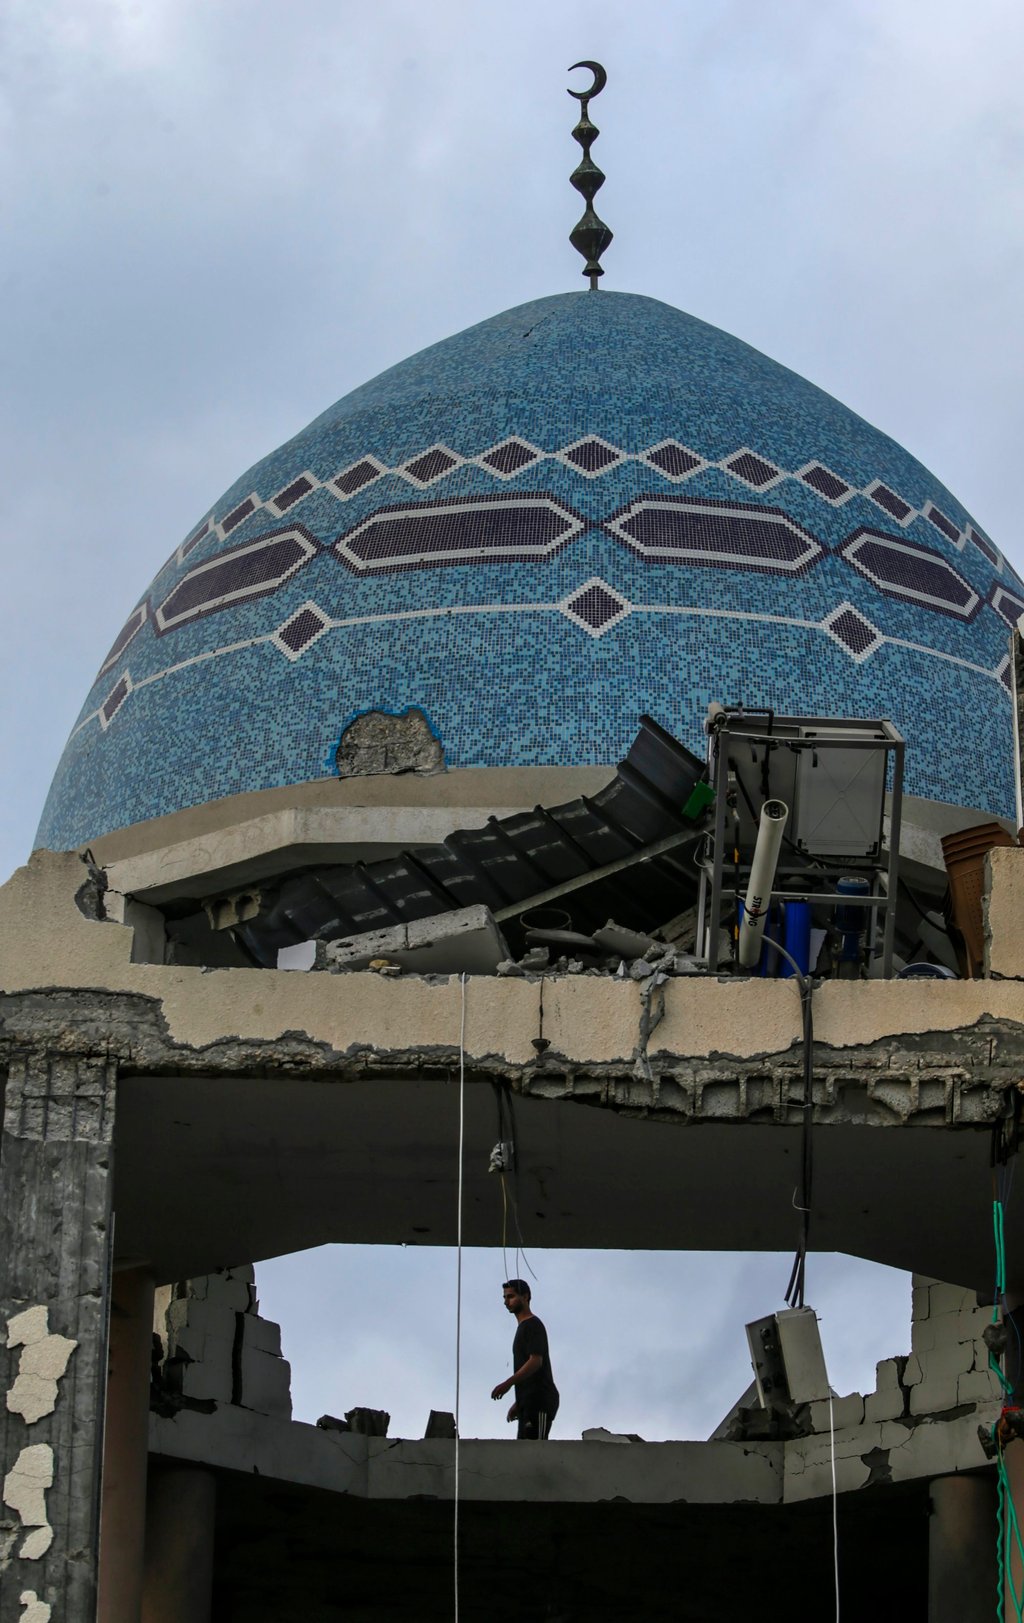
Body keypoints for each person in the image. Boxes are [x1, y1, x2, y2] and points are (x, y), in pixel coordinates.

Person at [490, 1278, 559, 1439]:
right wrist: (519, 1402)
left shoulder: (533, 1325)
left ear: (525, 1297)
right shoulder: (522, 1328)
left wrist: (508, 1383)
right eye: (505, 1297)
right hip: (527, 1403)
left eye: (511, 1296)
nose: (506, 1301)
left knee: (536, 1450)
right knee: (524, 1451)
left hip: (540, 1400)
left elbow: (536, 1361)